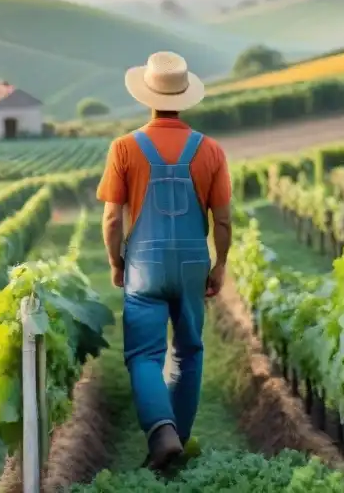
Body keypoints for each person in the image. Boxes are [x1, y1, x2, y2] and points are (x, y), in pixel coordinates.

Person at [96, 51, 233, 471]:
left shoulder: (124, 148)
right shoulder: (211, 150)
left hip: (145, 266)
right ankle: (179, 443)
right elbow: (223, 219)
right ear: (185, 97)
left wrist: (117, 263)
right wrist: (219, 265)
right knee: (189, 351)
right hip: (193, 262)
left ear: (147, 97)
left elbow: (112, 217)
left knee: (143, 355)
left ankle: (161, 432)